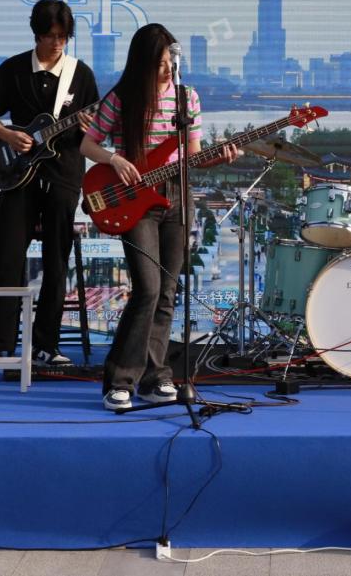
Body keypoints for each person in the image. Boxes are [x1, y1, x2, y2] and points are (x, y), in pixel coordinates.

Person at [80, 23, 238, 411]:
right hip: (134, 199)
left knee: (167, 292)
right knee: (147, 289)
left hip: (177, 196)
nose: (167, 70)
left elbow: (193, 154)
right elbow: (87, 144)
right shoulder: (121, 99)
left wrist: (217, 157)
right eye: (159, 64)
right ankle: (120, 380)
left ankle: (155, 377)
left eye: (170, 62)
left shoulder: (187, 98)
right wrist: (114, 160)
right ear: (141, 64)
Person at [0, 0, 99, 372]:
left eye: (63, 36)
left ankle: (46, 344)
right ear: (36, 34)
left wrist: (93, 126)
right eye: (50, 36)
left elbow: (95, 130)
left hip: (64, 175)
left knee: (56, 261)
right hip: (17, 176)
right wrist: (8, 135)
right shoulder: (13, 69)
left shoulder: (81, 75)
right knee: (7, 257)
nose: (57, 43)